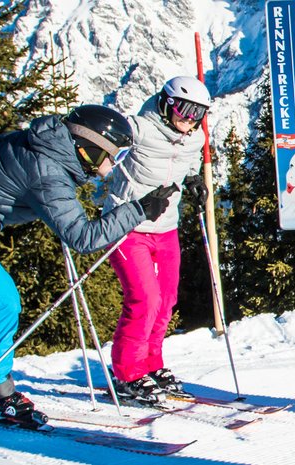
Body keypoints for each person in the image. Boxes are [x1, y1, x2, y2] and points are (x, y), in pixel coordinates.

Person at [0, 104, 179, 429]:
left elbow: (0, 152)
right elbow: (83, 237)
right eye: (106, 158)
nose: (108, 170)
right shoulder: (49, 171)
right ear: (86, 146)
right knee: (0, 301)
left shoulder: (43, 143)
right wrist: (138, 210)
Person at [100, 76, 213, 406]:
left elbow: (186, 162)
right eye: (184, 108)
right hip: (127, 226)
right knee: (144, 300)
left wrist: (193, 179)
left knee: (165, 301)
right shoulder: (139, 129)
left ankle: (150, 365)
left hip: (166, 228)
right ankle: (127, 375)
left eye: (198, 112)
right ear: (166, 103)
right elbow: (102, 146)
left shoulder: (194, 137)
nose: (189, 118)